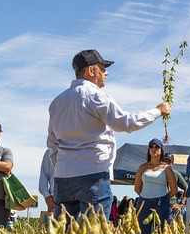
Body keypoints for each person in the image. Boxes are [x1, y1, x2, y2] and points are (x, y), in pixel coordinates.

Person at [47, 49, 170, 220]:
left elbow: (52, 143)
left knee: (63, 230)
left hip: (63, 176)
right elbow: (126, 123)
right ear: (91, 70)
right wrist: (157, 111)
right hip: (93, 174)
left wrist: (62, 165)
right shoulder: (96, 96)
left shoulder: (57, 102)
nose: (106, 73)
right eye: (103, 68)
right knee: (96, 231)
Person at [134, 138, 177, 234]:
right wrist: (146, 197)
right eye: (151, 147)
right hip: (144, 202)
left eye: (157, 147)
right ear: (149, 150)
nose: (154, 149)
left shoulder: (166, 168)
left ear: (161, 150)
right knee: (143, 233)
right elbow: (137, 188)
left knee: (162, 233)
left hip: (161, 202)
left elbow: (174, 189)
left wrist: (163, 199)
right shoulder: (142, 167)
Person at [39, 149, 55, 216]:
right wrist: (47, 196)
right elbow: (43, 176)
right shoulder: (50, 151)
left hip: (79, 199)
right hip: (55, 200)